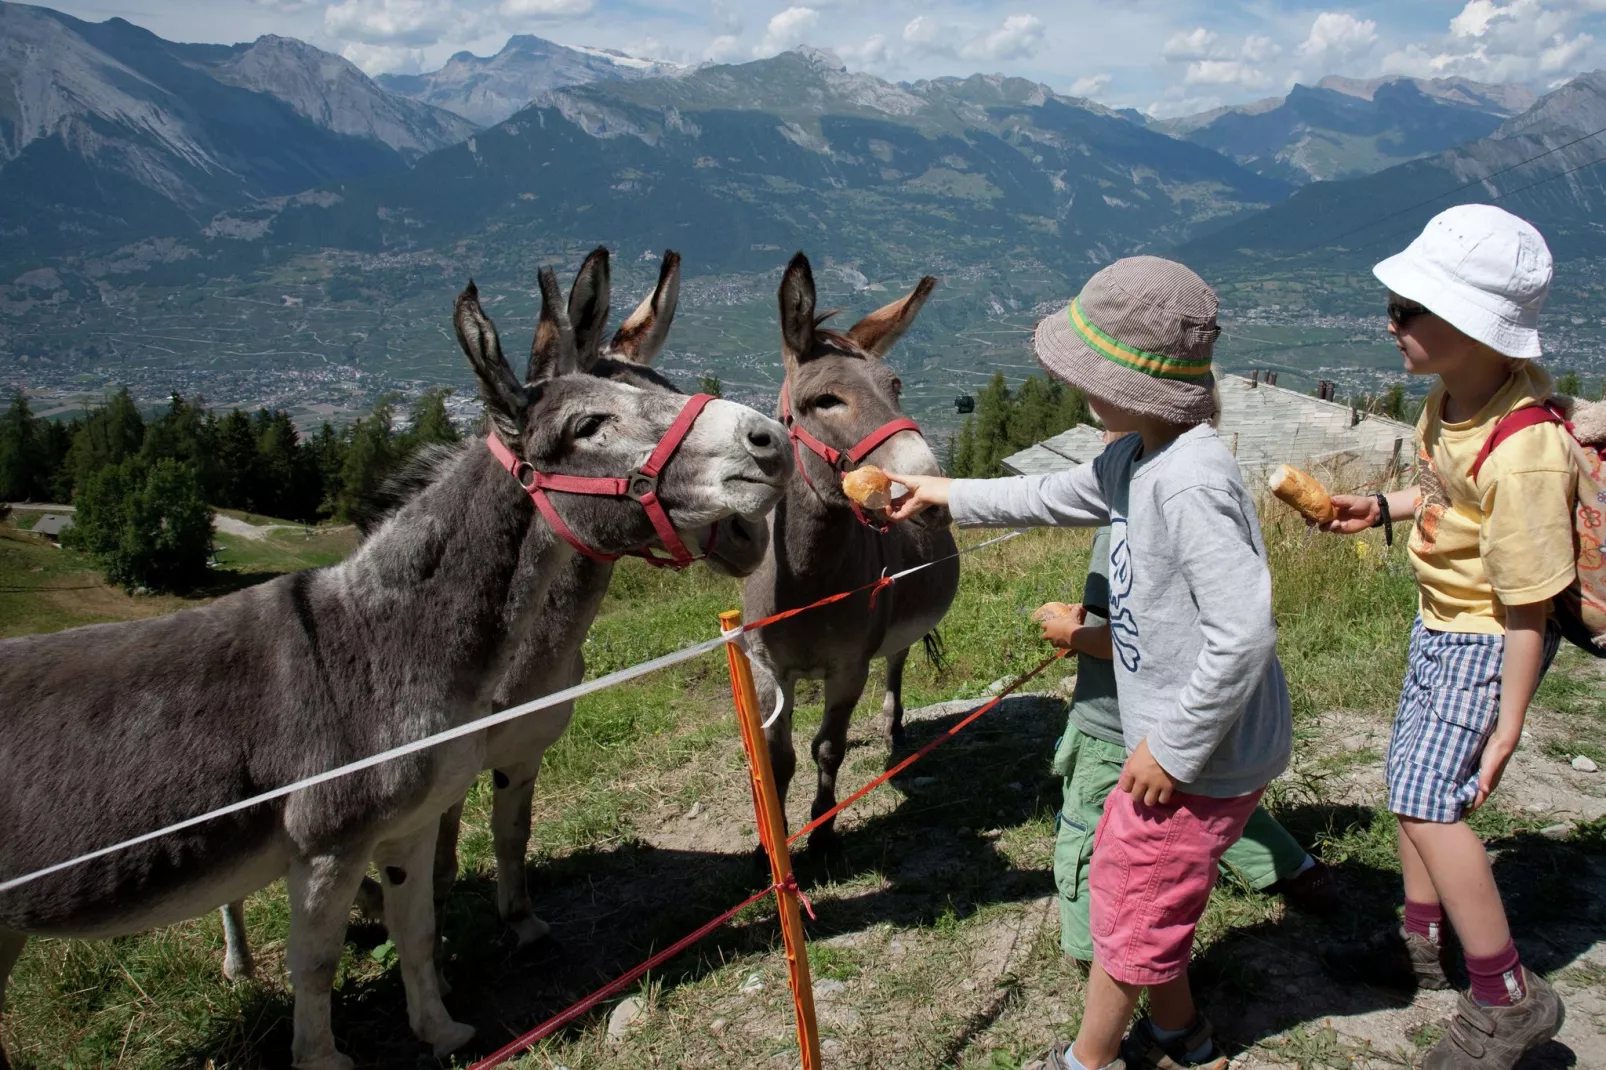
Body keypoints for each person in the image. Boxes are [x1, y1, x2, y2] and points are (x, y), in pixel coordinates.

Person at [888, 256, 1292, 1070]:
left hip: (1197, 755)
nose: (1077, 389)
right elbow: (1051, 495)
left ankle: (1090, 1060)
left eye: (1085, 375)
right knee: (1136, 887)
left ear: (1128, 384)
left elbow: (1244, 632)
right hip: (1181, 746)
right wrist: (946, 497)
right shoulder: (1138, 457)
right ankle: (1182, 1033)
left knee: (1131, 904)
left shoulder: (1186, 482)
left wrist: (1171, 748)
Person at [1316, 204, 1572, 1069]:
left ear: (1471, 327)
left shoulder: (1523, 448)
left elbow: (1532, 601)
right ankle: (1422, 946)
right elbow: (1451, 501)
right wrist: (1382, 507)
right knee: (1410, 787)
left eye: (1407, 311)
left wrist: (1509, 721)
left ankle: (1505, 997)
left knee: (1434, 803)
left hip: (1487, 640)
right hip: (1443, 623)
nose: (1389, 322)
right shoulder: (1452, 403)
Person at [1046, 508, 1335, 972]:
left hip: (1112, 724)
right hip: (1184, 717)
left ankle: (1091, 954)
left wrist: (1071, 632)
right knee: (1207, 804)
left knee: (1084, 830)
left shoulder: (1117, 528)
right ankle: (1297, 871)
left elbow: (1121, 641)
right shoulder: (1205, 511)